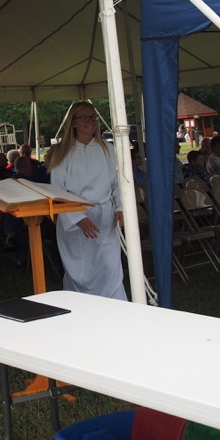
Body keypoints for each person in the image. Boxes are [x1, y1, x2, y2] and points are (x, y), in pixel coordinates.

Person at [46, 102, 126, 300]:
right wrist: (78, 218)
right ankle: (83, 307)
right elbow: (58, 191)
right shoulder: (62, 153)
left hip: (105, 217)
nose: (90, 122)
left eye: (93, 117)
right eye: (85, 117)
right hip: (75, 218)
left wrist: (121, 208)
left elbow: (117, 183)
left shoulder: (107, 149)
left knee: (110, 266)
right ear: (73, 123)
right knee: (81, 271)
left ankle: (117, 308)